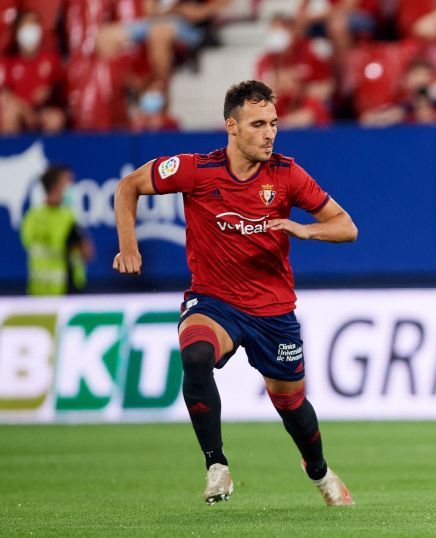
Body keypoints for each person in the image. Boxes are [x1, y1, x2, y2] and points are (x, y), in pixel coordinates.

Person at [112, 80, 358, 506]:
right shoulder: (195, 170)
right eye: (258, 124)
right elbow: (128, 186)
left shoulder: (287, 174)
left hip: (272, 310)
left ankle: (319, 472)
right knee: (195, 355)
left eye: (274, 123)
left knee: (292, 406)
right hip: (214, 301)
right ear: (232, 126)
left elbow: (347, 227)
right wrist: (129, 246)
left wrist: (305, 229)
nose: (270, 133)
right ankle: (217, 465)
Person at [21, 165, 94, 295]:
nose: (71, 186)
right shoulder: (67, 219)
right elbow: (87, 253)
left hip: (37, 290)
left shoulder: (31, 217)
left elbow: (28, 245)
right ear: (56, 186)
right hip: (66, 291)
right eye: (68, 182)